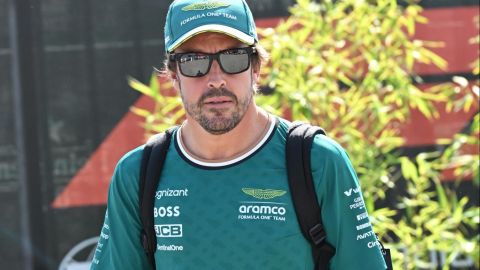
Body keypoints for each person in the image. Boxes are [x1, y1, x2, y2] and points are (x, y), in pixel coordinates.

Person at [90, 0, 387, 269]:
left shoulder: (318, 161)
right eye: (194, 62)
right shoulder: (138, 174)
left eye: (233, 58)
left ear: (255, 68)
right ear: (173, 75)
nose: (215, 80)